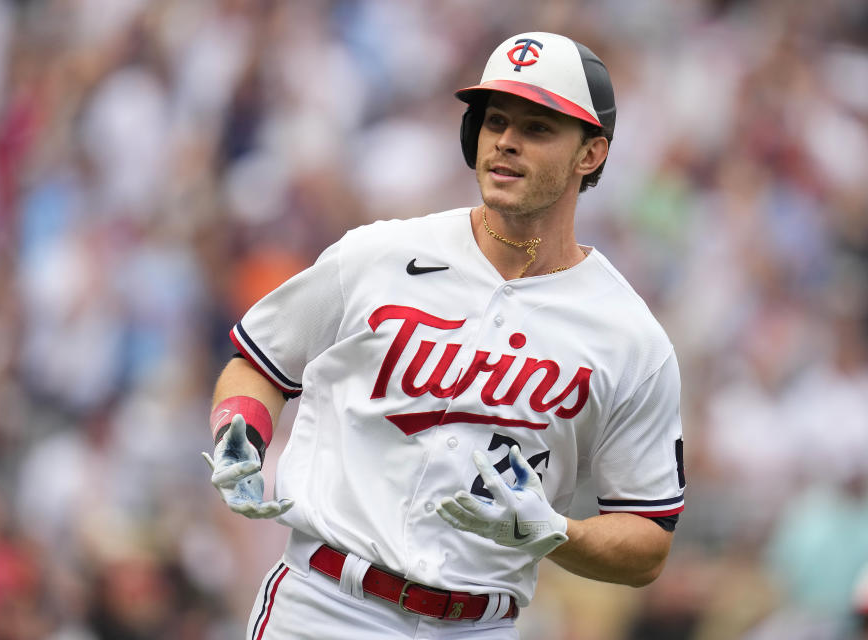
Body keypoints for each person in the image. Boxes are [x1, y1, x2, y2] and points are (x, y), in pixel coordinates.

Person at [203, 31, 686, 640]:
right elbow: (260, 365)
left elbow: (648, 542)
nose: (506, 141)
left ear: (590, 155)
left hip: (478, 626)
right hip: (327, 606)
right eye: (495, 121)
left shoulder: (630, 337)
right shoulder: (378, 255)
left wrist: (558, 533)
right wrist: (239, 428)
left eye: (537, 128)